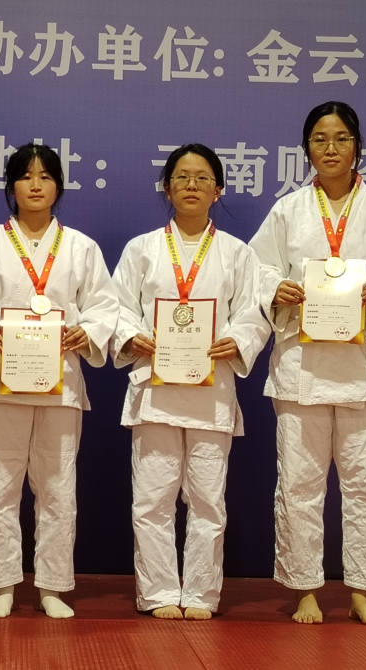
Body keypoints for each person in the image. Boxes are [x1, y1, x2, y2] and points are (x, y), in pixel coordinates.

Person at [248, 101, 366, 627]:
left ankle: (363, 591)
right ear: (305, 148)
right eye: (319, 139)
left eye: (341, 138)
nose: (330, 148)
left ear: (357, 146)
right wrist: (277, 288)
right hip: (302, 365)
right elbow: (255, 268)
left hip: (364, 367)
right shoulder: (288, 210)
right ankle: (305, 590)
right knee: (298, 484)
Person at [0, 143, 118, 619]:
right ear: (11, 186)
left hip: (59, 380)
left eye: (46, 176)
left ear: (59, 185)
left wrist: (89, 332)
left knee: (58, 485)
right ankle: (1, 584)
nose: (36, 185)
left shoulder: (81, 247)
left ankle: (52, 587)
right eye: (25, 176)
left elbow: (104, 306)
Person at [111, 144, 269, 620]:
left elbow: (254, 313)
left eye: (202, 178)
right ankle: (159, 592)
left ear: (218, 190)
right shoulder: (141, 249)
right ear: (167, 188)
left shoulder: (238, 253)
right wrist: (132, 336)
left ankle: (200, 593)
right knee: (152, 498)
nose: (192, 185)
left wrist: (236, 340)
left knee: (207, 500)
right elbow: (117, 306)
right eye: (181, 177)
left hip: (210, 388)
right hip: (155, 388)